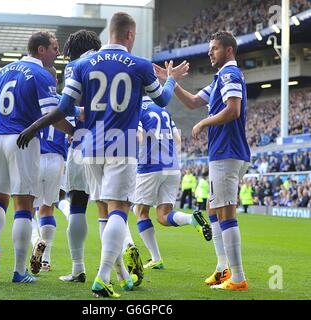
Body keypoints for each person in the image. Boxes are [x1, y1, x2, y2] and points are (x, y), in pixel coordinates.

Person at [16, 12, 189, 298]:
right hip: (122, 144)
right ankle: (103, 276)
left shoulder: (82, 65)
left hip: (88, 146)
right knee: (119, 210)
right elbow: (163, 100)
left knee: (100, 211)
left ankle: (116, 272)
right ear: (130, 35)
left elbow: (62, 108)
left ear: (110, 32)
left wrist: (33, 127)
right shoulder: (140, 65)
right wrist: (170, 79)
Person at [154, 31, 251, 291]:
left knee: (226, 211)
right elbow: (194, 101)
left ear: (228, 50)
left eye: (215, 48)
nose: (210, 52)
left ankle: (238, 277)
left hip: (227, 151)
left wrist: (204, 122)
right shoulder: (221, 77)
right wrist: (170, 83)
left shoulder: (230, 75)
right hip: (226, 151)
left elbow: (234, 110)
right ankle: (222, 269)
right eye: (210, 48)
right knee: (213, 207)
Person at [0, 31, 61, 283]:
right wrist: (77, 129)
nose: (57, 53)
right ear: (41, 50)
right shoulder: (41, 75)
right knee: (24, 207)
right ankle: (19, 271)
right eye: (54, 48)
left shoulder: (3, 71)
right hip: (23, 139)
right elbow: (52, 115)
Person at [134, 96, 212, 270]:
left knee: (140, 211)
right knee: (163, 216)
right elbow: (177, 138)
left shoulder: (136, 107)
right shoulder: (163, 109)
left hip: (149, 165)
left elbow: (139, 137)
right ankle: (192, 219)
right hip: (172, 166)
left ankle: (156, 258)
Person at [56, 29, 102, 283]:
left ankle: (78, 268)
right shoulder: (111, 61)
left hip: (83, 140)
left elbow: (65, 105)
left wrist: (77, 115)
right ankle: (120, 261)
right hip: (118, 142)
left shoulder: (75, 65)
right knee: (113, 207)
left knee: (77, 204)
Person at [29, 66, 74, 274]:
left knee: (26, 208)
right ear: (56, 82)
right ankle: (45, 260)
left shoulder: (32, 101)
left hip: (36, 158)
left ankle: (35, 240)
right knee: (48, 208)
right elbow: (72, 134)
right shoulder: (66, 104)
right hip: (57, 159)